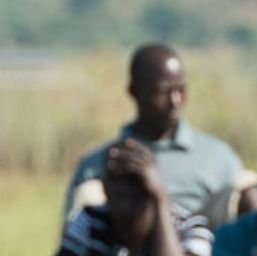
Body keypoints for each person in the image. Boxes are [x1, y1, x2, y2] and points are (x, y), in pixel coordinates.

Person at [62, 43, 244, 232]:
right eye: (163, 91)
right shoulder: (100, 164)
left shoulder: (219, 158)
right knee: (88, 193)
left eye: (181, 90)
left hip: (199, 254)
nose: (175, 101)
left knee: (245, 186)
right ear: (134, 91)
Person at [37, 139, 212, 256]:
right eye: (116, 180)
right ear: (104, 187)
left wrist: (160, 199)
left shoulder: (191, 227)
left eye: (136, 180)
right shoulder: (91, 221)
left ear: (153, 186)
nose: (126, 190)